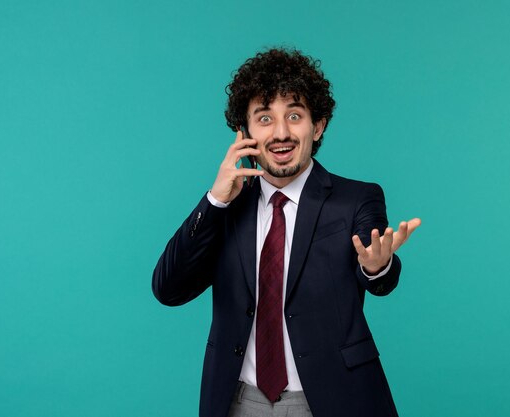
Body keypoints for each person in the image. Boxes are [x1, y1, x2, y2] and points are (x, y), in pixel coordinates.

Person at [152, 48, 420, 417]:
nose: (281, 133)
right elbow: (169, 289)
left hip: (332, 398)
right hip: (239, 401)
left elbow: (377, 276)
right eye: (265, 118)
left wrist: (378, 265)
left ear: (318, 125)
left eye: (294, 116)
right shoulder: (226, 208)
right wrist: (215, 201)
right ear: (245, 133)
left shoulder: (357, 199)